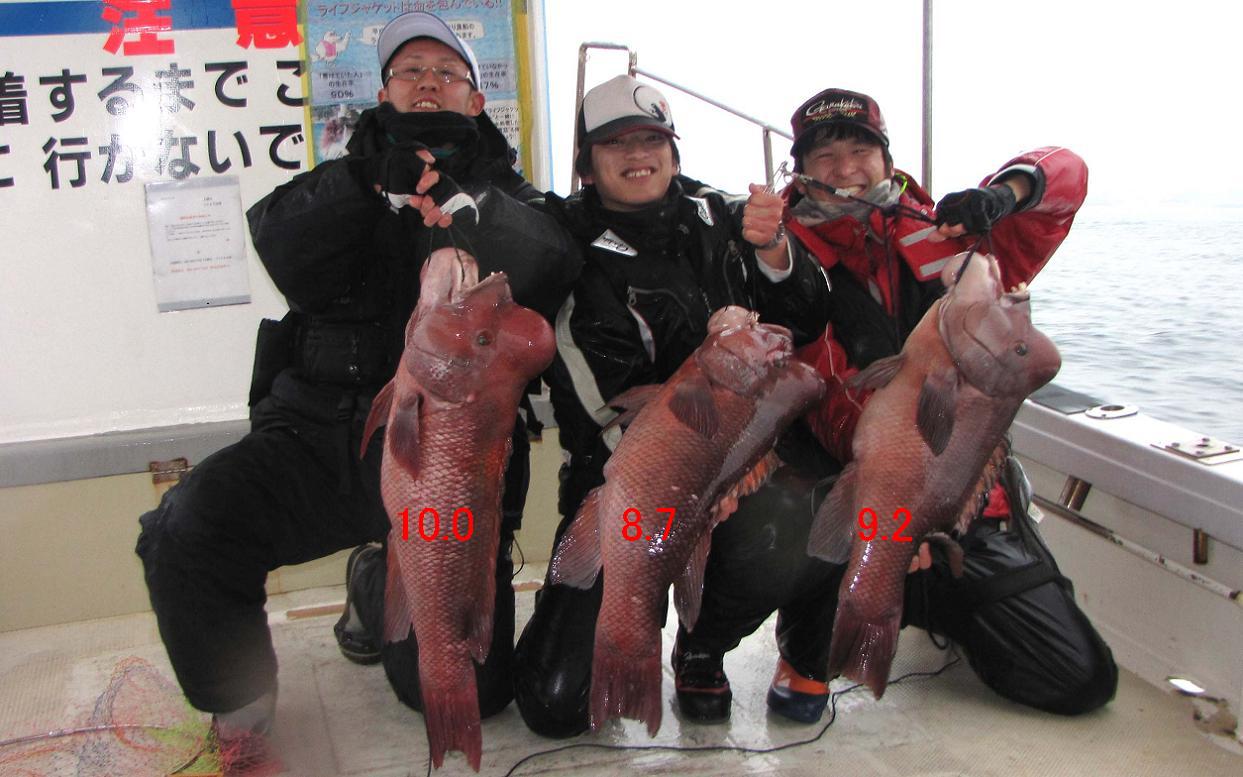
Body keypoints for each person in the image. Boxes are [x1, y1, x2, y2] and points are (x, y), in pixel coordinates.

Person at [135, 10, 580, 758]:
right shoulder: (347, 176)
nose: (428, 82)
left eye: (448, 73)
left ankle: (377, 580)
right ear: (383, 92)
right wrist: (367, 183)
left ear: (477, 100)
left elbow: (555, 260)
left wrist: (474, 210)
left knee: (466, 689)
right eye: (411, 71)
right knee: (186, 526)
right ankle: (239, 698)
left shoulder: (509, 191)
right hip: (314, 440)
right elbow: (278, 239)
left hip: (451, 459)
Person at [678, 87, 1118, 726]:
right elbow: (812, 381)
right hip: (840, 480)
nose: (845, 167)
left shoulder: (954, 235)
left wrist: (1006, 194)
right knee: (772, 533)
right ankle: (766, 642)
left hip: (952, 495)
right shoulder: (777, 253)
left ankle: (934, 597)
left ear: (888, 158)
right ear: (801, 168)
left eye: (861, 150)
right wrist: (892, 504)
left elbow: (1067, 177)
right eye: (825, 155)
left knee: (1077, 678)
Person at [511, 74, 833, 737]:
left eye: (653, 140)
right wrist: (689, 459)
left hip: (733, 466)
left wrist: (776, 250)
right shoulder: (563, 241)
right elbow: (601, 402)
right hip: (621, 475)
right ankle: (633, 612)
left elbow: (805, 316)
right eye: (616, 143)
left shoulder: (723, 215)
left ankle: (701, 645)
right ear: (586, 163)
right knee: (557, 704)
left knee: (806, 512)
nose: (638, 155)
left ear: (674, 153)